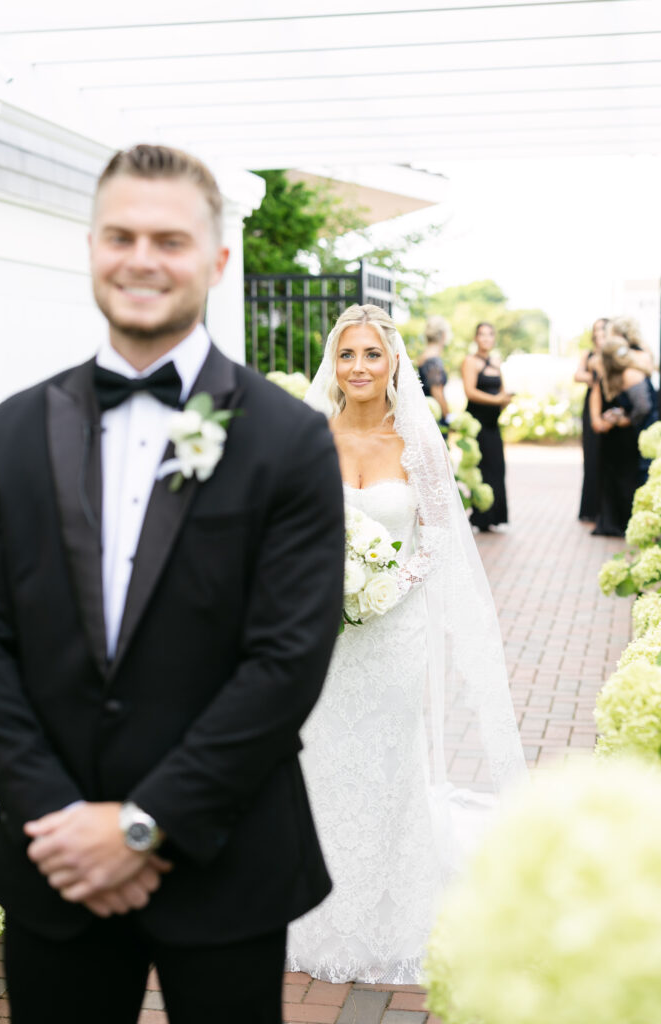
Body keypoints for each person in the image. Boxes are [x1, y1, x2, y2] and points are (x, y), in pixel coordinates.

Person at [0, 145, 345, 1024]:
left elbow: (286, 659)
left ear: (216, 261)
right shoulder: (11, 434)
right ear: (92, 247)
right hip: (52, 860)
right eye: (121, 236)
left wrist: (143, 826)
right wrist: (63, 823)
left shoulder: (289, 442)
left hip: (225, 858)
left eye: (170, 240)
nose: (142, 258)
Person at [286, 304, 525, 985]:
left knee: (389, 760)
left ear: (392, 364)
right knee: (322, 759)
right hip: (323, 637)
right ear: (333, 365)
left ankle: (389, 909)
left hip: (394, 630)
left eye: (370, 354)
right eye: (346, 355)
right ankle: (316, 906)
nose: (358, 367)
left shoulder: (416, 443)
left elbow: (442, 536)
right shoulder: (310, 439)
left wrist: (388, 583)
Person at [590, 325, 658, 537]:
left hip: (645, 429)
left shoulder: (630, 373)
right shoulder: (618, 375)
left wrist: (625, 420)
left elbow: (644, 408)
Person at [461, 322, 512, 531]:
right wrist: (496, 400)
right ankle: (480, 517)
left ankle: (496, 516)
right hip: (477, 423)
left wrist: (505, 400)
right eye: (482, 335)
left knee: (498, 468)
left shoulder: (496, 362)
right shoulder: (470, 361)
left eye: (490, 335)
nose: (486, 339)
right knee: (481, 469)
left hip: (493, 423)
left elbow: (502, 390)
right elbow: (470, 392)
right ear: (476, 338)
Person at [574, 317, 607, 522]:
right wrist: (594, 377)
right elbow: (577, 375)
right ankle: (590, 507)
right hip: (592, 403)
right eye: (597, 330)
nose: (599, 333)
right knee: (591, 454)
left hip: (609, 403)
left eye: (603, 329)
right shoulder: (589, 354)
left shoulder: (614, 353)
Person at [417, 314, 451, 423]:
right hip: (434, 419)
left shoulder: (425, 356)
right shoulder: (433, 361)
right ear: (444, 335)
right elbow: (437, 392)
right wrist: (449, 418)